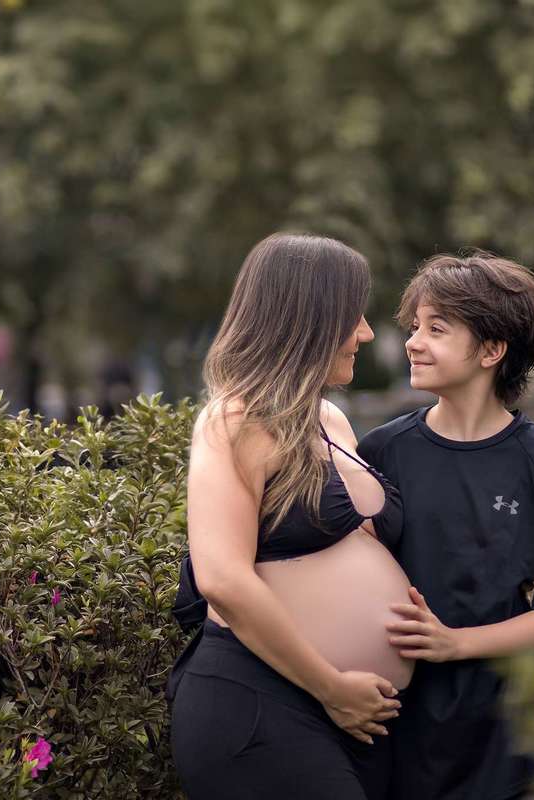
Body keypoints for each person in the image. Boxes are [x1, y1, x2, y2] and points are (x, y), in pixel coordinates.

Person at [167, 233, 413, 800]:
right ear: (310, 318)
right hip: (262, 700)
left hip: (359, 715)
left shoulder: (332, 419)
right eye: (354, 315)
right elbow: (222, 579)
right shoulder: (233, 421)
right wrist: (331, 687)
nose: (367, 333)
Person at [357, 251, 534, 800]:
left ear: (492, 350)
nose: (414, 342)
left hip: (517, 740)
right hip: (406, 729)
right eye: (415, 326)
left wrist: (455, 643)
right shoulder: (382, 451)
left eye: (436, 329)